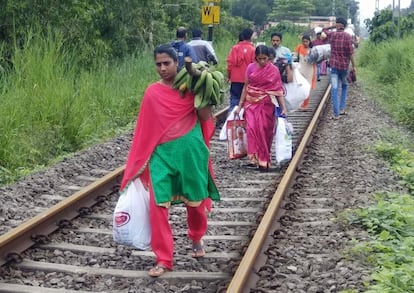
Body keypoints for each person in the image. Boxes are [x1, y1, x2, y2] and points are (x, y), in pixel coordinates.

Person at [119, 44, 220, 277]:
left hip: (190, 153)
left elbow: (206, 117)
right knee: (158, 205)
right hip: (161, 156)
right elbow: (144, 130)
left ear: (177, 63)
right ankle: (163, 258)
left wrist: (203, 90)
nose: (163, 68)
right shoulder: (152, 92)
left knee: (195, 203)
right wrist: (139, 161)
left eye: (167, 63)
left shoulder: (192, 88)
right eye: (158, 64)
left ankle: (196, 237)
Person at [235, 45, 287, 171]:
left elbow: (277, 90)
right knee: (252, 128)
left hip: (267, 105)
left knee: (264, 130)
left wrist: (283, 107)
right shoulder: (250, 68)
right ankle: (254, 157)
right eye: (260, 59)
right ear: (255, 58)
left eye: (265, 59)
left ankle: (264, 158)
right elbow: (246, 87)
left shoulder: (273, 70)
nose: (262, 61)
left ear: (269, 58)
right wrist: (240, 105)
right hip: (251, 103)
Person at [323, 17, 356, 119]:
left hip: (334, 67)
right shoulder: (348, 36)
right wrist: (354, 66)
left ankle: (336, 114)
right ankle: (341, 109)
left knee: (334, 88)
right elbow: (350, 53)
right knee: (344, 86)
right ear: (345, 26)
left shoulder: (332, 35)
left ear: (337, 25)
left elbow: (324, 31)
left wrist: (333, 26)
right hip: (344, 67)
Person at [226, 28, 255, 113]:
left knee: (234, 100)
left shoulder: (235, 48)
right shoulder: (253, 49)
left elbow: (230, 64)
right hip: (248, 80)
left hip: (235, 79)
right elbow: (255, 65)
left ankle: (232, 118)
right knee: (247, 100)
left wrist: (229, 76)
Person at [295, 34, 316, 110]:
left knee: (307, 87)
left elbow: (316, 60)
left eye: (306, 41)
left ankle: (305, 105)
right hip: (300, 69)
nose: (305, 43)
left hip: (309, 70)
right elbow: (295, 57)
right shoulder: (299, 48)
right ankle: (300, 103)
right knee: (300, 87)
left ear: (309, 42)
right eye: (303, 41)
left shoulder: (313, 49)